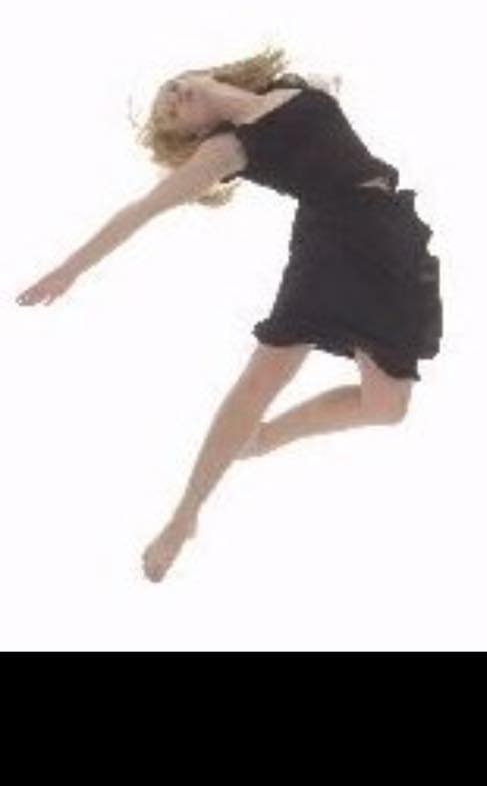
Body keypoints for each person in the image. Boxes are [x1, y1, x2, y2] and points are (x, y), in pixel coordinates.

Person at [15, 46, 443, 583]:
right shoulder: (226, 150)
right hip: (331, 242)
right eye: (172, 110)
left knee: (387, 406)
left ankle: (260, 439)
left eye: (173, 87)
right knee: (263, 376)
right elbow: (140, 212)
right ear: (193, 133)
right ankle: (183, 518)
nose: (176, 96)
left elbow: (330, 106)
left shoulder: (291, 86)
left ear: (200, 72)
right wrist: (68, 271)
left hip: (390, 235)